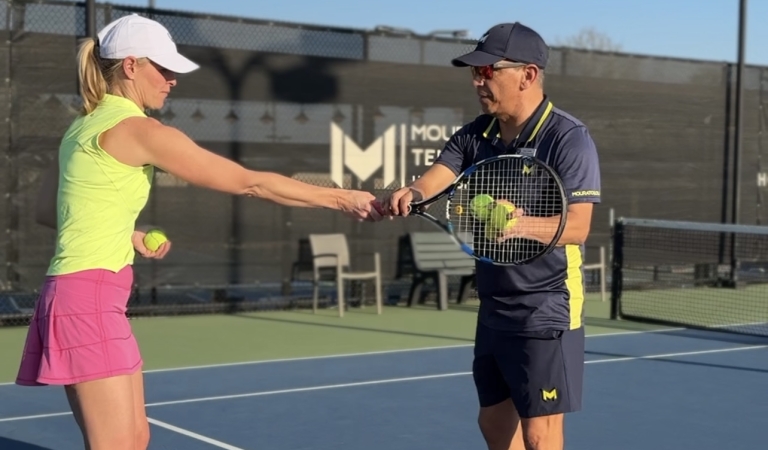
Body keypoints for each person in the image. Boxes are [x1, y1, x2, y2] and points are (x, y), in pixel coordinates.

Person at [14, 13, 382, 450]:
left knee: (134, 437)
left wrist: (125, 231)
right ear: (131, 66)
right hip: (88, 298)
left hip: (78, 294)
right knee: (117, 443)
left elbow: (47, 210)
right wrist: (343, 198)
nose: (172, 79)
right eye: (164, 68)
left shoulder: (79, 128)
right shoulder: (139, 129)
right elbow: (249, 182)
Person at [379, 22, 601, 450]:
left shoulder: (568, 138)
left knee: (540, 435)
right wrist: (413, 192)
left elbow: (578, 226)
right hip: (494, 304)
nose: (478, 80)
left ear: (528, 75)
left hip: (547, 308)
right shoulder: (473, 135)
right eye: (474, 72)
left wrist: (521, 224)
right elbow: (436, 179)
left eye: (488, 70)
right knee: (495, 423)